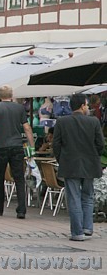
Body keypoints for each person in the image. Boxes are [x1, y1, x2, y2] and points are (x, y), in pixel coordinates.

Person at [53, 93, 104, 241]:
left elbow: (56, 144)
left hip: (70, 164)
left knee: (74, 198)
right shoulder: (93, 122)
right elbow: (100, 144)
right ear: (82, 106)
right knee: (88, 196)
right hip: (90, 164)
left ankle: (77, 232)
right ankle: (87, 227)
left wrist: (61, 158)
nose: (88, 107)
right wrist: (94, 156)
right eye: (87, 105)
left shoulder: (62, 122)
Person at [0, 85, 35, 219]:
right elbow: (27, 127)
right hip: (17, 146)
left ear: (0, 96)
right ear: (12, 96)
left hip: (1, 146)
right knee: (19, 178)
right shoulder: (19, 108)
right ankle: (21, 210)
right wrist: (31, 145)